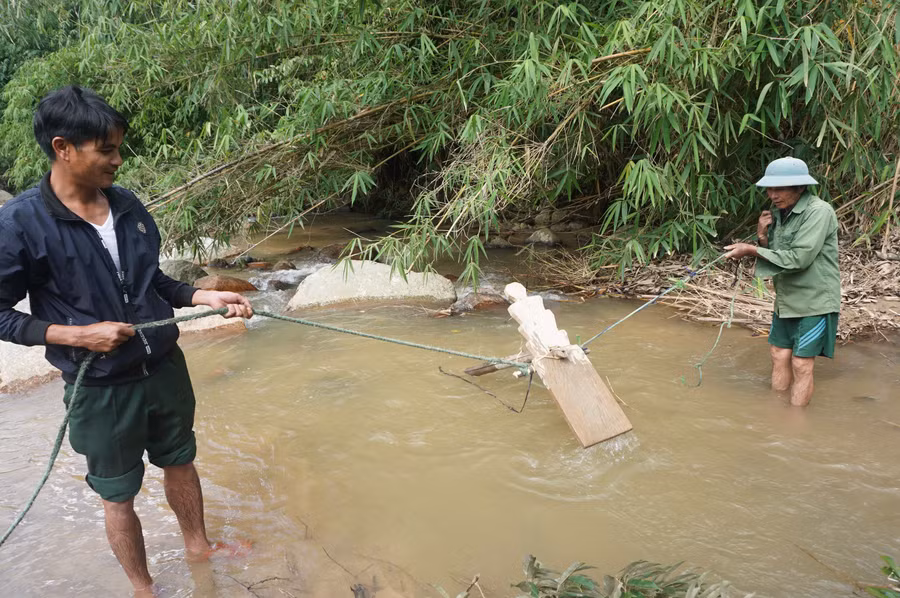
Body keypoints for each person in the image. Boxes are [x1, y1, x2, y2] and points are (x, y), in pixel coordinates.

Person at [0, 85, 253, 594]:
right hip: (101, 388)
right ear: (62, 148)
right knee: (118, 495)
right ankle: (143, 588)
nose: (118, 160)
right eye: (106, 150)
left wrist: (199, 297)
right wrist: (77, 335)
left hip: (163, 368)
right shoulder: (20, 224)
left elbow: (151, 280)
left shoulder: (127, 205)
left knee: (180, 461)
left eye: (118, 148)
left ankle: (199, 548)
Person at [725, 157, 840, 407]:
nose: (772, 195)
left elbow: (800, 258)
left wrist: (752, 250)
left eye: (780, 189)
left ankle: (795, 422)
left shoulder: (819, 212)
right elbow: (779, 254)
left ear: (800, 188)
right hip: (787, 298)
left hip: (815, 300)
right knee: (778, 354)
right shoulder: (779, 213)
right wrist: (762, 237)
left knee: (801, 362)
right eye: (769, 189)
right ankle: (776, 414)